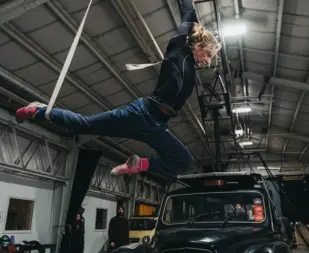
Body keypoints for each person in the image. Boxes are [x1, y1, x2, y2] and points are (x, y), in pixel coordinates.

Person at [14, 0, 221, 179]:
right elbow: (187, 17)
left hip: (156, 126)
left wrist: (191, 4)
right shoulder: (178, 47)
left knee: (183, 161)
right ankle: (39, 111)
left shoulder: (191, 66)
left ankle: (139, 165)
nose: (208, 61)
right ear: (200, 45)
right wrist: (188, 2)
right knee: (84, 125)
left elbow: (190, 15)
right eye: (209, 55)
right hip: (139, 114)